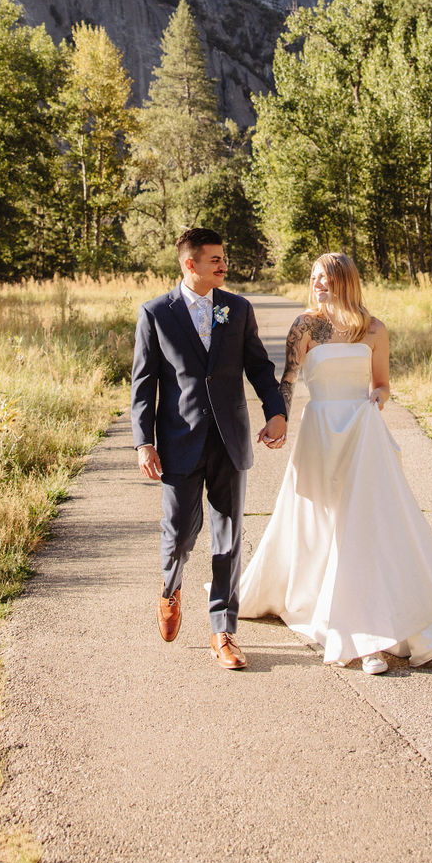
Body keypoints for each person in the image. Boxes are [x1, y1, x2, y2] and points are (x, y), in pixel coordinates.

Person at [239, 253, 432, 673]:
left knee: (365, 526)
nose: (317, 284)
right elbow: (287, 380)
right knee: (325, 522)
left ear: (345, 280)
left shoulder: (374, 329)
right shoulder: (304, 326)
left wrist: (376, 401)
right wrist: (279, 421)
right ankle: (340, 617)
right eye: (313, 278)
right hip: (322, 434)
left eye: (325, 278)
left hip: (362, 434)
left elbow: (382, 385)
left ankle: (366, 636)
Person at [131, 226, 288, 670]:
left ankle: (224, 631)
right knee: (180, 532)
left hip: (230, 440)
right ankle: (170, 589)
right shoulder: (156, 313)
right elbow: (143, 387)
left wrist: (275, 410)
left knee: (229, 538)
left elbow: (258, 366)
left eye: (223, 257)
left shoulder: (237, 309)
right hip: (179, 443)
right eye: (214, 259)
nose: (223, 265)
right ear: (190, 264)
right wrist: (144, 441)